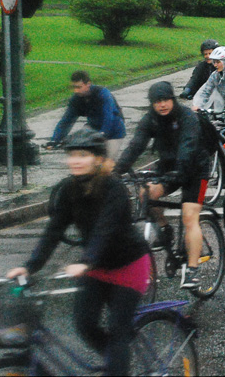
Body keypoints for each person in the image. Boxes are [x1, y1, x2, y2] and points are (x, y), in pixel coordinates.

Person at [8, 128, 152, 376]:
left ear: (98, 159)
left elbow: (105, 229)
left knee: (118, 331)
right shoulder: (69, 189)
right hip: (97, 267)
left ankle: (117, 364)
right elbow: (54, 230)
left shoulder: (114, 189)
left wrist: (86, 261)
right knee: (85, 325)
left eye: (83, 155)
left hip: (128, 265)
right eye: (72, 154)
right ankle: (117, 365)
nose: (76, 160)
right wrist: (30, 266)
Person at [117, 82, 210, 289]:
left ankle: (192, 271)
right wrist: (117, 170)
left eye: (166, 100)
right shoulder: (150, 119)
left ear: (172, 99)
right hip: (168, 169)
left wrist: (180, 169)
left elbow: (188, 145)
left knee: (189, 217)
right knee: (146, 193)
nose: (162, 105)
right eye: (157, 102)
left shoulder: (187, 117)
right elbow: (136, 145)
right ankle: (164, 228)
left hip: (196, 170)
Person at [47, 71, 126, 162]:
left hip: (114, 131)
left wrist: (102, 134)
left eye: (79, 87)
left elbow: (108, 117)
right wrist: (55, 140)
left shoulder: (103, 94)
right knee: (85, 157)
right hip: (93, 128)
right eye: (74, 87)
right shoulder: (76, 99)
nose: (76, 91)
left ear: (88, 84)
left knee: (105, 162)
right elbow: (66, 120)